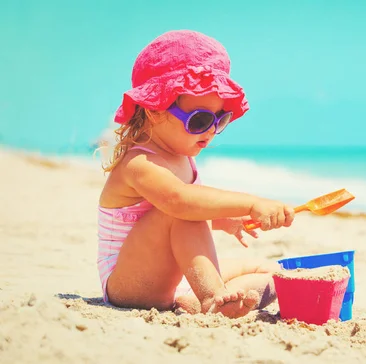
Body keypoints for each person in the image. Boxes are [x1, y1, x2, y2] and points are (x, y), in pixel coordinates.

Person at [97, 30, 295, 319]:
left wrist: (222, 219)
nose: (211, 131)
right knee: (181, 212)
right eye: (199, 120)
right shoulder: (138, 164)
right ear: (154, 110)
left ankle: (212, 300)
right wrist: (250, 203)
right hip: (129, 285)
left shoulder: (184, 158)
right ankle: (213, 298)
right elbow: (179, 202)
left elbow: (178, 223)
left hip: (168, 282)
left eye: (220, 119)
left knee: (269, 271)